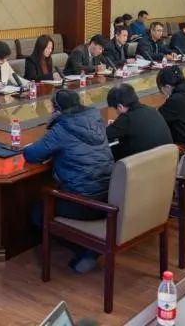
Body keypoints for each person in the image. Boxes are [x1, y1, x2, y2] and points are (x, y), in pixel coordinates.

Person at [23, 90, 114, 273]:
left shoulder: (63, 128)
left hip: (84, 203)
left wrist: (53, 125)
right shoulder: (96, 120)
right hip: (108, 196)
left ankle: (87, 250)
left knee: (38, 213)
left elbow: (31, 154)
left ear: (57, 110)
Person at [105, 84, 173, 161]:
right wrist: (117, 125)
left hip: (145, 164)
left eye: (115, 109)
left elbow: (103, 135)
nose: (116, 113)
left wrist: (115, 125)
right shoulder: (152, 110)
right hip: (168, 160)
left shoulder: (126, 119)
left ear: (120, 106)